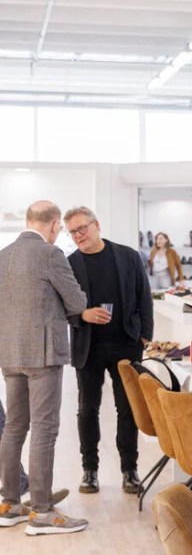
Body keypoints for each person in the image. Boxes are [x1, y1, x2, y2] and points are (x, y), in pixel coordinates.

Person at [0, 201, 89, 535]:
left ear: (28, 221)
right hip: (43, 354)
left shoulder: (3, 255)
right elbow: (77, 302)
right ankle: (41, 511)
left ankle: (9, 504)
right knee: (44, 429)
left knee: (14, 427)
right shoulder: (51, 255)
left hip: (10, 353)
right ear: (54, 225)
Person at [65, 206, 154, 494]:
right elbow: (60, 305)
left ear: (96, 225)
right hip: (88, 347)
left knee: (127, 409)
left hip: (126, 344)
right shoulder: (69, 264)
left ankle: (130, 470)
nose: (78, 235)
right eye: (72, 232)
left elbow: (144, 296)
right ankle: (89, 470)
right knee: (87, 410)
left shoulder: (128, 256)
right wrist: (83, 315)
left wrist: (145, 336)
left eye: (82, 228)